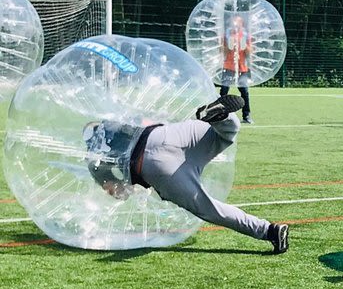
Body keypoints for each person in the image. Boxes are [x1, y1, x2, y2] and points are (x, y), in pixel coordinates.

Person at [83, 94, 288, 254]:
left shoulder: (95, 162)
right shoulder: (117, 120)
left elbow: (120, 192)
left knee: (209, 208)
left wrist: (129, 186)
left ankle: (269, 231)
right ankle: (222, 117)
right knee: (226, 135)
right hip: (171, 134)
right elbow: (150, 118)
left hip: (156, 167)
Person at [220, 15, 253, 124]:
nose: (235, 24)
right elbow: (222, 51)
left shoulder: (245, 35)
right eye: (234, 22)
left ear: (241, 24)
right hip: (228, 67)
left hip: (242, 68)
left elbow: (249, 52)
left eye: (238, 22)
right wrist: (228, 47)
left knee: (244, 92)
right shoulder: (227, 35)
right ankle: (221, 114)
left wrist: (244, 46)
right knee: (224, 91)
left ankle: (246, 115)